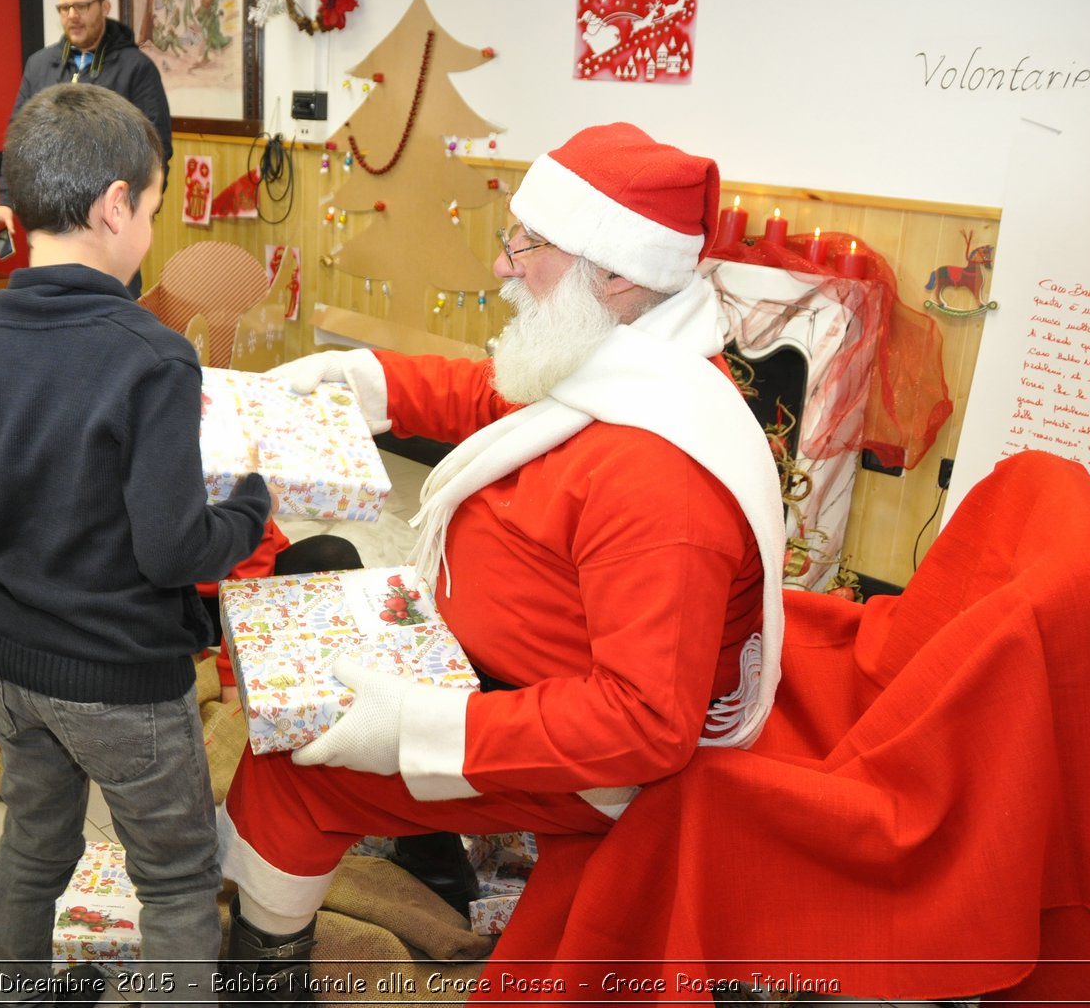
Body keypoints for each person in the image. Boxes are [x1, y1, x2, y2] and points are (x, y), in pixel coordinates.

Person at [217, 122, 788, 1000]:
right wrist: (358, 384)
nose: (502, 266)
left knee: (294, 769)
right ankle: (421, 862)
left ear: (619, 270)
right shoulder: (627, 359)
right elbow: (494, 392)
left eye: (528, 246)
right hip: (497, 675)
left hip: (570, 750)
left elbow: (642, 726)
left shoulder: (662, 477)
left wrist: (419, 729)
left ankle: (260, 977)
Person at [0, 83, 268, 1006]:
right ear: (116, 206)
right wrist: (250, 504)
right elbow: (174, 548)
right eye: (151, 209)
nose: (149, 225)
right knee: (178, 879)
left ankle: (12, 994)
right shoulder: (150, 354)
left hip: (17, 669)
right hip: (125, 683)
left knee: (36, 842)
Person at [0, 0, 172, 295]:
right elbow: (19, 140)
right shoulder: (40, 65)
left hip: (110, 225)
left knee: (113, 317)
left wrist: (137, 211)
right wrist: (5, 201)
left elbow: (156, 149)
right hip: (51, 224)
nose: (72, 16)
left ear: (105, 7)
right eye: (64, 8)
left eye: (82, 6)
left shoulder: (136, 68)